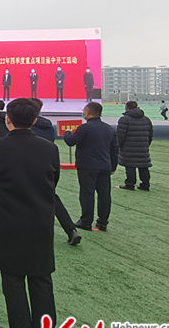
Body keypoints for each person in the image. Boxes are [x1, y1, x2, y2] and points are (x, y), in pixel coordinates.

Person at [0, 98, 59, 328]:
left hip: (8, 223)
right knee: (41, 279)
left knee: (12, 279)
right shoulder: (49, 149)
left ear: (7, 119)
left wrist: (4, 200)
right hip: (40, 223)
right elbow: (53, 182)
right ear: (34, 120)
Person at [31, 99, 81, 246]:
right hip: (47, 166)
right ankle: (71, 230)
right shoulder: (48, 126)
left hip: (28, 165)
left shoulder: (27, 127)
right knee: (52, 197)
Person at [63, 102, 118, 231]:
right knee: (104, 195)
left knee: (87, 193)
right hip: (104, 166)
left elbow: (71, 141)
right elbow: (114, 150)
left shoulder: (84, 128)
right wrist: (113, 166)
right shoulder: (109, 129)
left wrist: (67, 133)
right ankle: (102, 222)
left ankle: (86, 221)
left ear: (88, 112)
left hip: (87, 166)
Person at [116, 101, 153, 191]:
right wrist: (146, 144)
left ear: (126, 108)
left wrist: (118, 146)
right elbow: (150, 135)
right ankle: (145, 185)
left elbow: (120, 136)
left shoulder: (124, 119)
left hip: (128, 147)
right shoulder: (146, 119)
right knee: (143, 166)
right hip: (143, 147)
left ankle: (130, 184)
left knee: (130, 166)